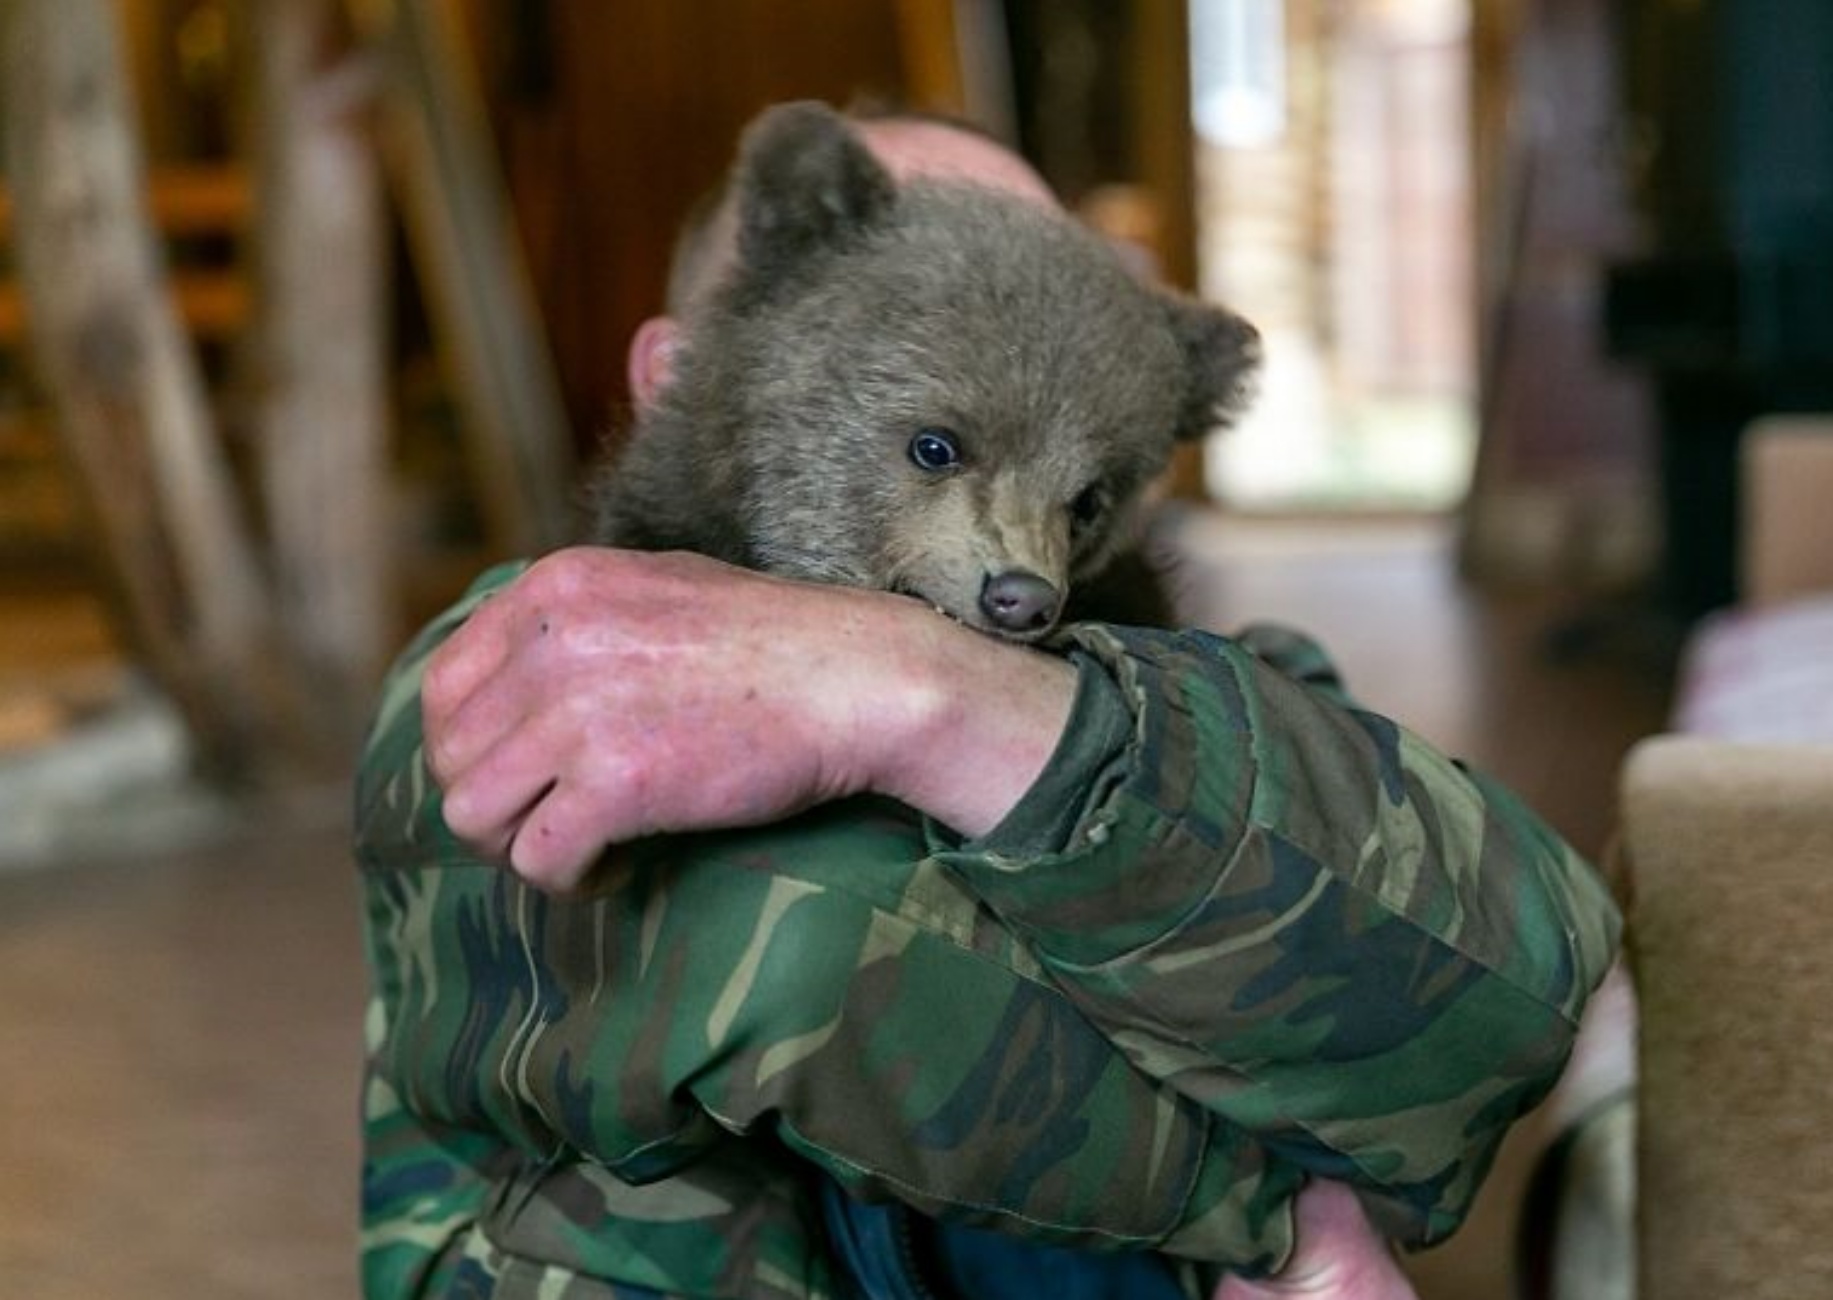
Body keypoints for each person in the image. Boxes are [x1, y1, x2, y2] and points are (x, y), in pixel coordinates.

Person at [356, 108, 1621, 1300]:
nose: (1031, 575)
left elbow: (1504, 1000)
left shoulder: (1236, 680)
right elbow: (822, 977)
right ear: (675, 370)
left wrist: (938, 703)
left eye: (1078, 508)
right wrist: (1294, 1206)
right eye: (935, 450)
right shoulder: (518, 667)